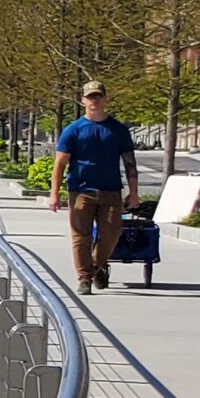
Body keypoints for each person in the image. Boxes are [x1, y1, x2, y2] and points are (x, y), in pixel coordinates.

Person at [49, 81, 140, 293]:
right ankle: (84, 278)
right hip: (81, 190)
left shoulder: (118, 130)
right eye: (90, 97)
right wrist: (54, 193)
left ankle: (96, 266)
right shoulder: (73, 130)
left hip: (111, 190)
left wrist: (133, 193)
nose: (95, 100)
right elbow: (60, 164)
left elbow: (130, 163)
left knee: (111, 234)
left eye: (98, 96)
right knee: (81, 236)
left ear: (105, 99)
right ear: (83, 101)